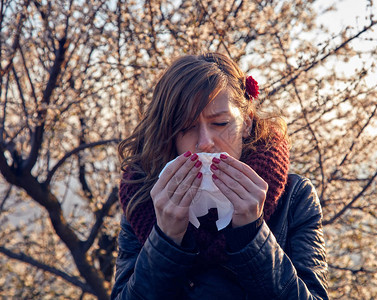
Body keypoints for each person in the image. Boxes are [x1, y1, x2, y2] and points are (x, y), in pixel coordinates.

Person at [111, 52, 328, 299]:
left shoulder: (294, 196)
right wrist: (165, 239)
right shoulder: (145, 199)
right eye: (187, 127)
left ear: (246, 122)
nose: (205, 143)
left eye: (220, 123)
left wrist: (252, 234)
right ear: (169, 134)